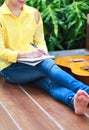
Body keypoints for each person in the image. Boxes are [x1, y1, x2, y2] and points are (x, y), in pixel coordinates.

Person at [0, 0, 89, 115]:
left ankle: (72, 100)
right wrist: (26, 55)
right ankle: (86, 90)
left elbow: (40, 42)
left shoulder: (34, 13)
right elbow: (1, 52)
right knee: (47, 66)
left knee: (50, 83)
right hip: (10, 70)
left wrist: (42, 52)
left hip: (35, 66)